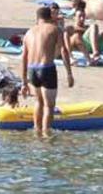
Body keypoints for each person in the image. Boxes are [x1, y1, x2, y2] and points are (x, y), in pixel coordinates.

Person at [21, 7, 74, 137]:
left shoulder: (29, 32)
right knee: (49, 105)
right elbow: (64, 51)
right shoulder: (55, 29)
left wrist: (24, 82)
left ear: (37, 18)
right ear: (50, 17)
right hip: (47, 68)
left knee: (38, 102)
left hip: (32, 69)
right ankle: (46, 135)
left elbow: (23, 57)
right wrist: (69, 73)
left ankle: (36, 131)